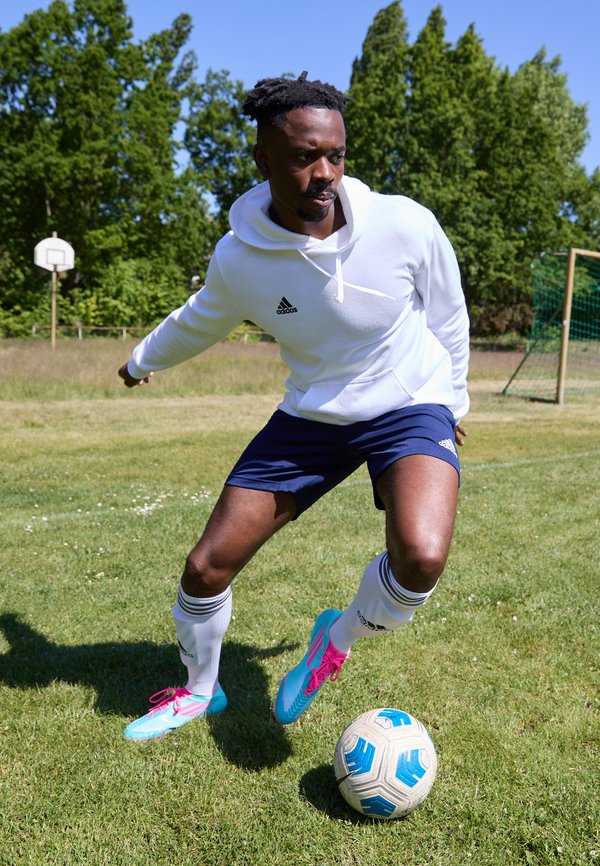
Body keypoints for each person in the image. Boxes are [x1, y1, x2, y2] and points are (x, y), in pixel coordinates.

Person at [118, 73, 469, 741]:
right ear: (264, 159)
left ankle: (336, 639)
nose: (325, 173)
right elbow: (199, 318)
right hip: (313, 414)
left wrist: (453, 402)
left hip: (409, 401)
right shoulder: (241, 258)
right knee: (205, 567)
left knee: (421, 558)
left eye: (335, 155)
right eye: (306, 156)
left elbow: (448, 314)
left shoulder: (404, 224)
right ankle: (200, 691)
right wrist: (141, 361)